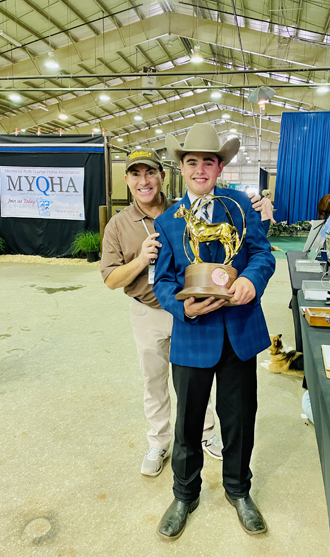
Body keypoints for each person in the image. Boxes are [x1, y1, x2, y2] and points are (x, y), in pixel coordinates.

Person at [100, 148, 264, 477]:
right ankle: (167, 459)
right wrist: (147, 267)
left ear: (163, 176)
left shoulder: (218, 207)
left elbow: (258, 252)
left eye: (150, 173)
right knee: (160, 387)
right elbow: (125, 279)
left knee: (219, 401)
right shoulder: (138, 223)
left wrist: (249, 278)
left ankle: (222, 461)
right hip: (163, 316)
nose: (143, 180)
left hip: (217, 319)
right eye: (135, 174)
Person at [153, 123, 275, 540]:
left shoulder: (239, 206)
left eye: (209, 161)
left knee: (239, 418)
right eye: (192, 162)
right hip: (193, 336)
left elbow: (262, 254)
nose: (201, 169)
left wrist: (251, 281)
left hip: (239, 330)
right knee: (187, 424)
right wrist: (180, 305)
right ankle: (185, 495)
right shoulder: (169, 221)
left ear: (219, 167)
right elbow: (163, 280)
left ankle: (239, 490)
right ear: (181, 168)